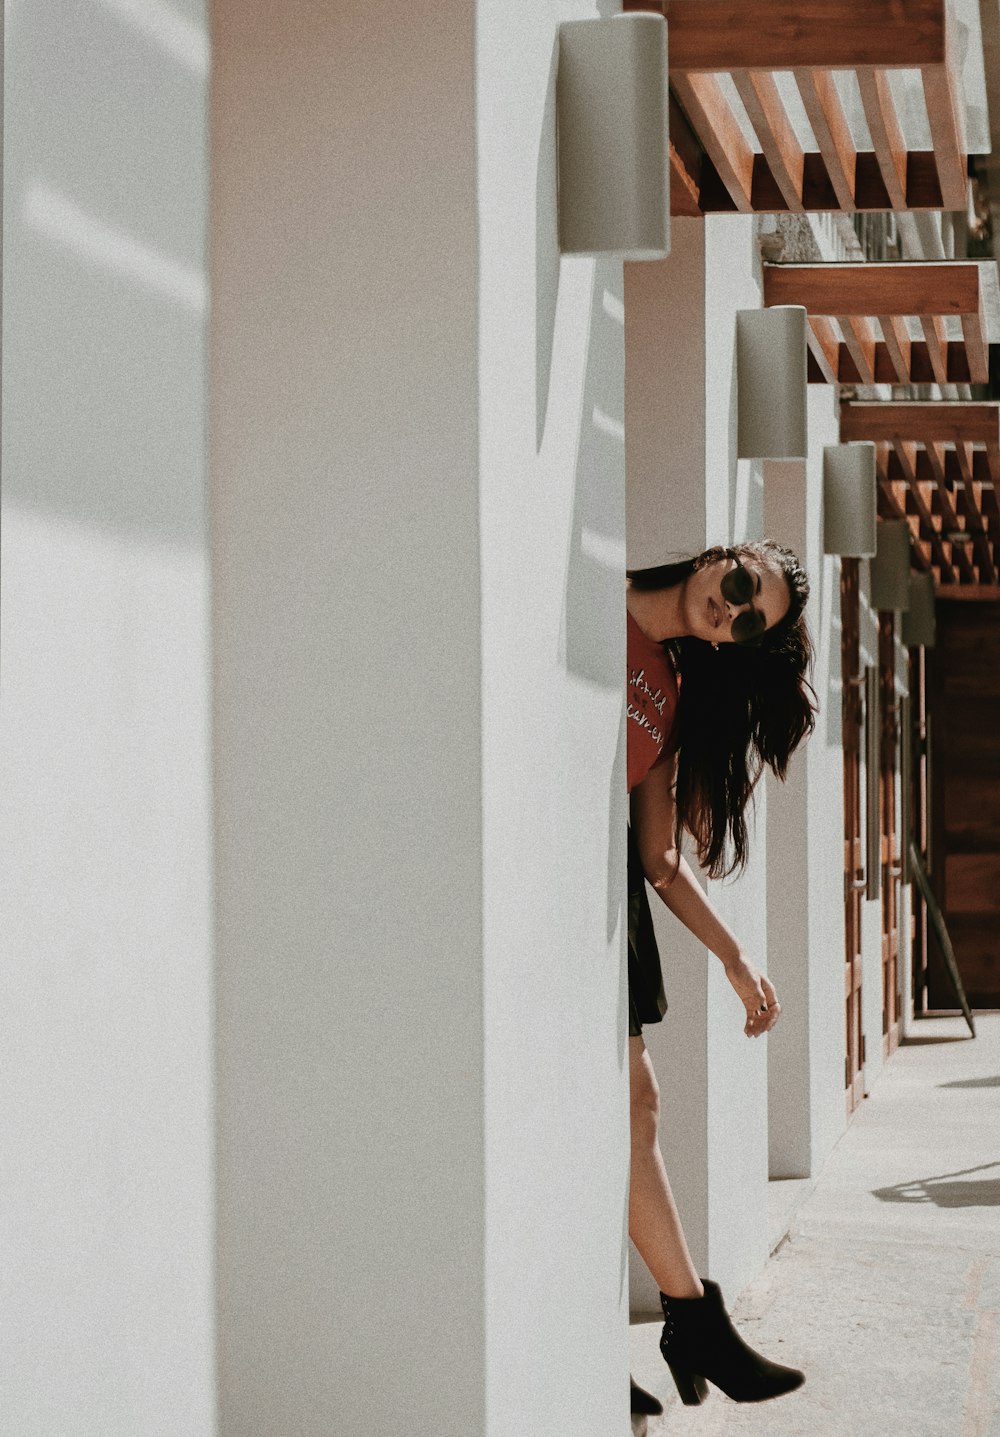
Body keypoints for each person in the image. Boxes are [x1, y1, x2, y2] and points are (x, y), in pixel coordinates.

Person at [624, 541, 816, 1416]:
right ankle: (690, 1321)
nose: (732, 611)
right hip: (521, 881)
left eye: (749, 621)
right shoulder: (599, 594)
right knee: (627, 1107)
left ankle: (685, 1320)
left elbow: (659, 858)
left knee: (633, 1107)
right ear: (721, 556)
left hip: (600, 900)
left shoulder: (667, 684)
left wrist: (735, 955)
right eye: (742, 587)